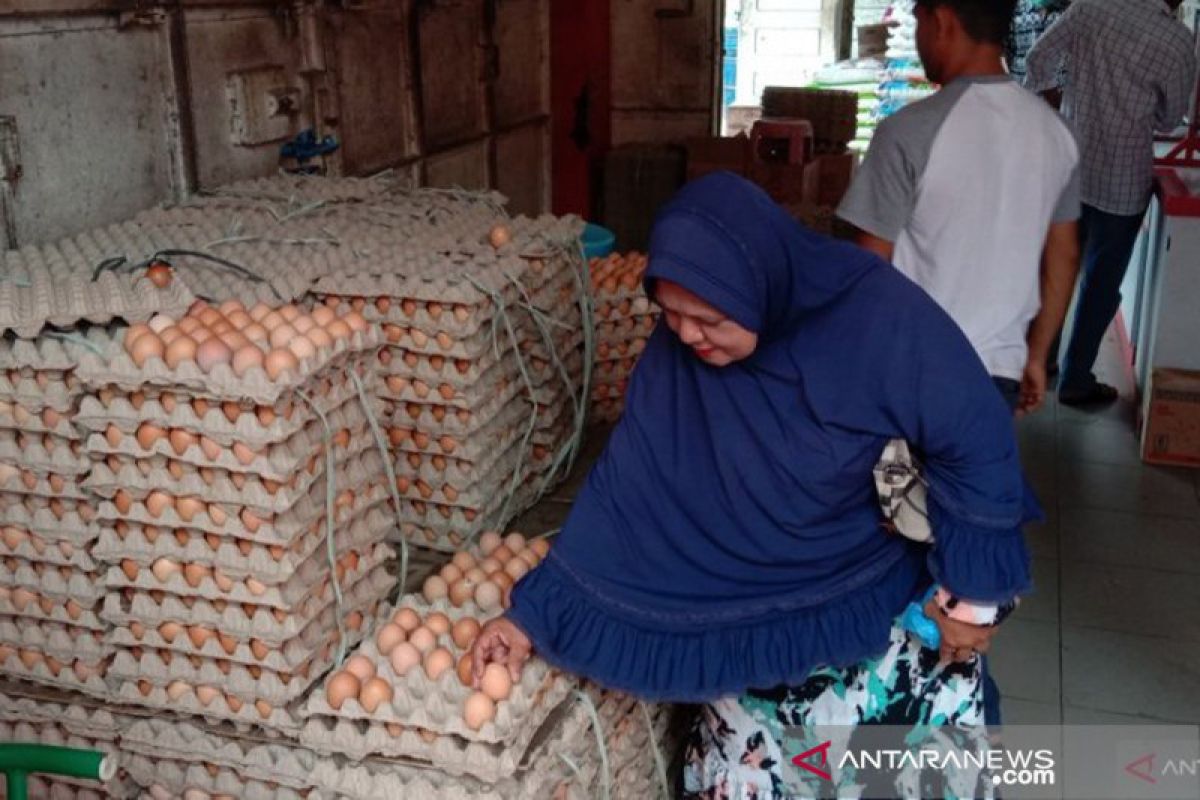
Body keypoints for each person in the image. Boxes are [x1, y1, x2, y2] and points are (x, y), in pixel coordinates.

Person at [470, 173, 1036, 798]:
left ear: (759, 284)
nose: (687, 336)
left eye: (708, 318)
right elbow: (627, 490)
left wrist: (975, 596)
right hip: (744, 641)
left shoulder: (875, 317)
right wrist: (533, 617)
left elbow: (976, 439)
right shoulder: (679, 362)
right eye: (670, 314)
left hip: (867, 620)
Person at [837, 0, 1081, 419]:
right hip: (997, 377)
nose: (917, 38)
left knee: (894, 484)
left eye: (918, 22)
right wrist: (1036, 357)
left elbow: (869, 268)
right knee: (969, 482)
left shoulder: (907, 131)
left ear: (943, 20)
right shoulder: (1057, 134)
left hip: (914, 370)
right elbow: (1064, 256)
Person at [1025, 0, 1196, 407]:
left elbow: (1037, 59)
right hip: (1124, 180)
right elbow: (1172, 119)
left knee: (1056, 265)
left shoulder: (1090, 8)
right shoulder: (1175, 39)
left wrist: (1060, 102)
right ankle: (1076, 379)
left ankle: (1040, 358)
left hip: (1072, 165)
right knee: (1100, 285)